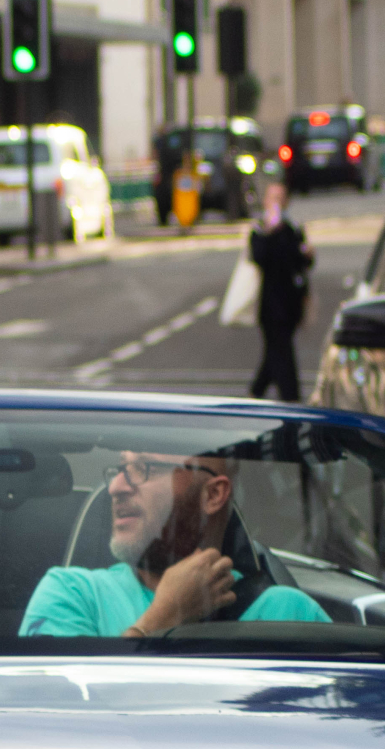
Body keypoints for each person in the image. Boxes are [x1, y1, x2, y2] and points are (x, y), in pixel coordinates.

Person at [21, 450, 331, 636]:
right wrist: (164, 617)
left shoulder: (288, 612)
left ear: (212, 495)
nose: (116, 487)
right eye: (120, 469)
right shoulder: (71, 595)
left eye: (144, 469)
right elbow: (61, 721)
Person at [245, 179, 311, 401]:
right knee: (283, 354)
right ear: (265, 201)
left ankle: (256, 392)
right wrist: (270, 230)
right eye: (273, 198)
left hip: (291, 304)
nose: (277, 204)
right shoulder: (260, 230)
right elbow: (258, 258)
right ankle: (291, 400)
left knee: (275, 354)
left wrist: (308, 255)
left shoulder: (293, 228)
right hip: (270, 307)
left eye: (281, 199)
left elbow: (300, 263)